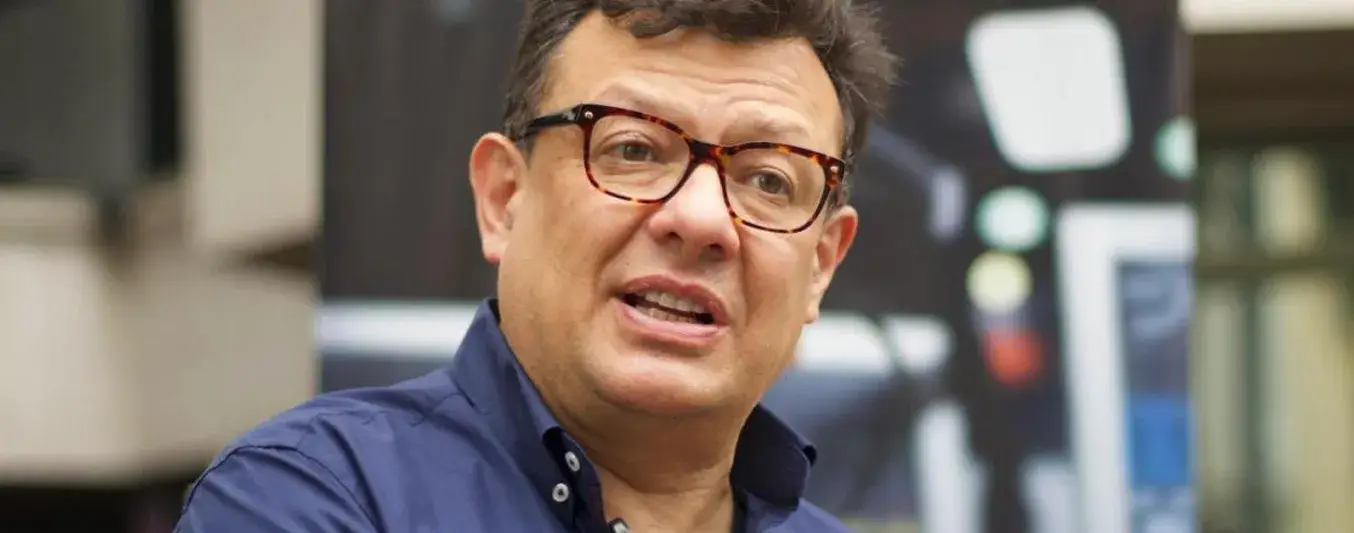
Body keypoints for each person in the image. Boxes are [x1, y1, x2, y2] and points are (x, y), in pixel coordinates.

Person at [175, 1, 897, 531]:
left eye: (769, 179)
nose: (702, 219)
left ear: (821, 267)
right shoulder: (313, 496)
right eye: (634, 149)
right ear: (503, 200)